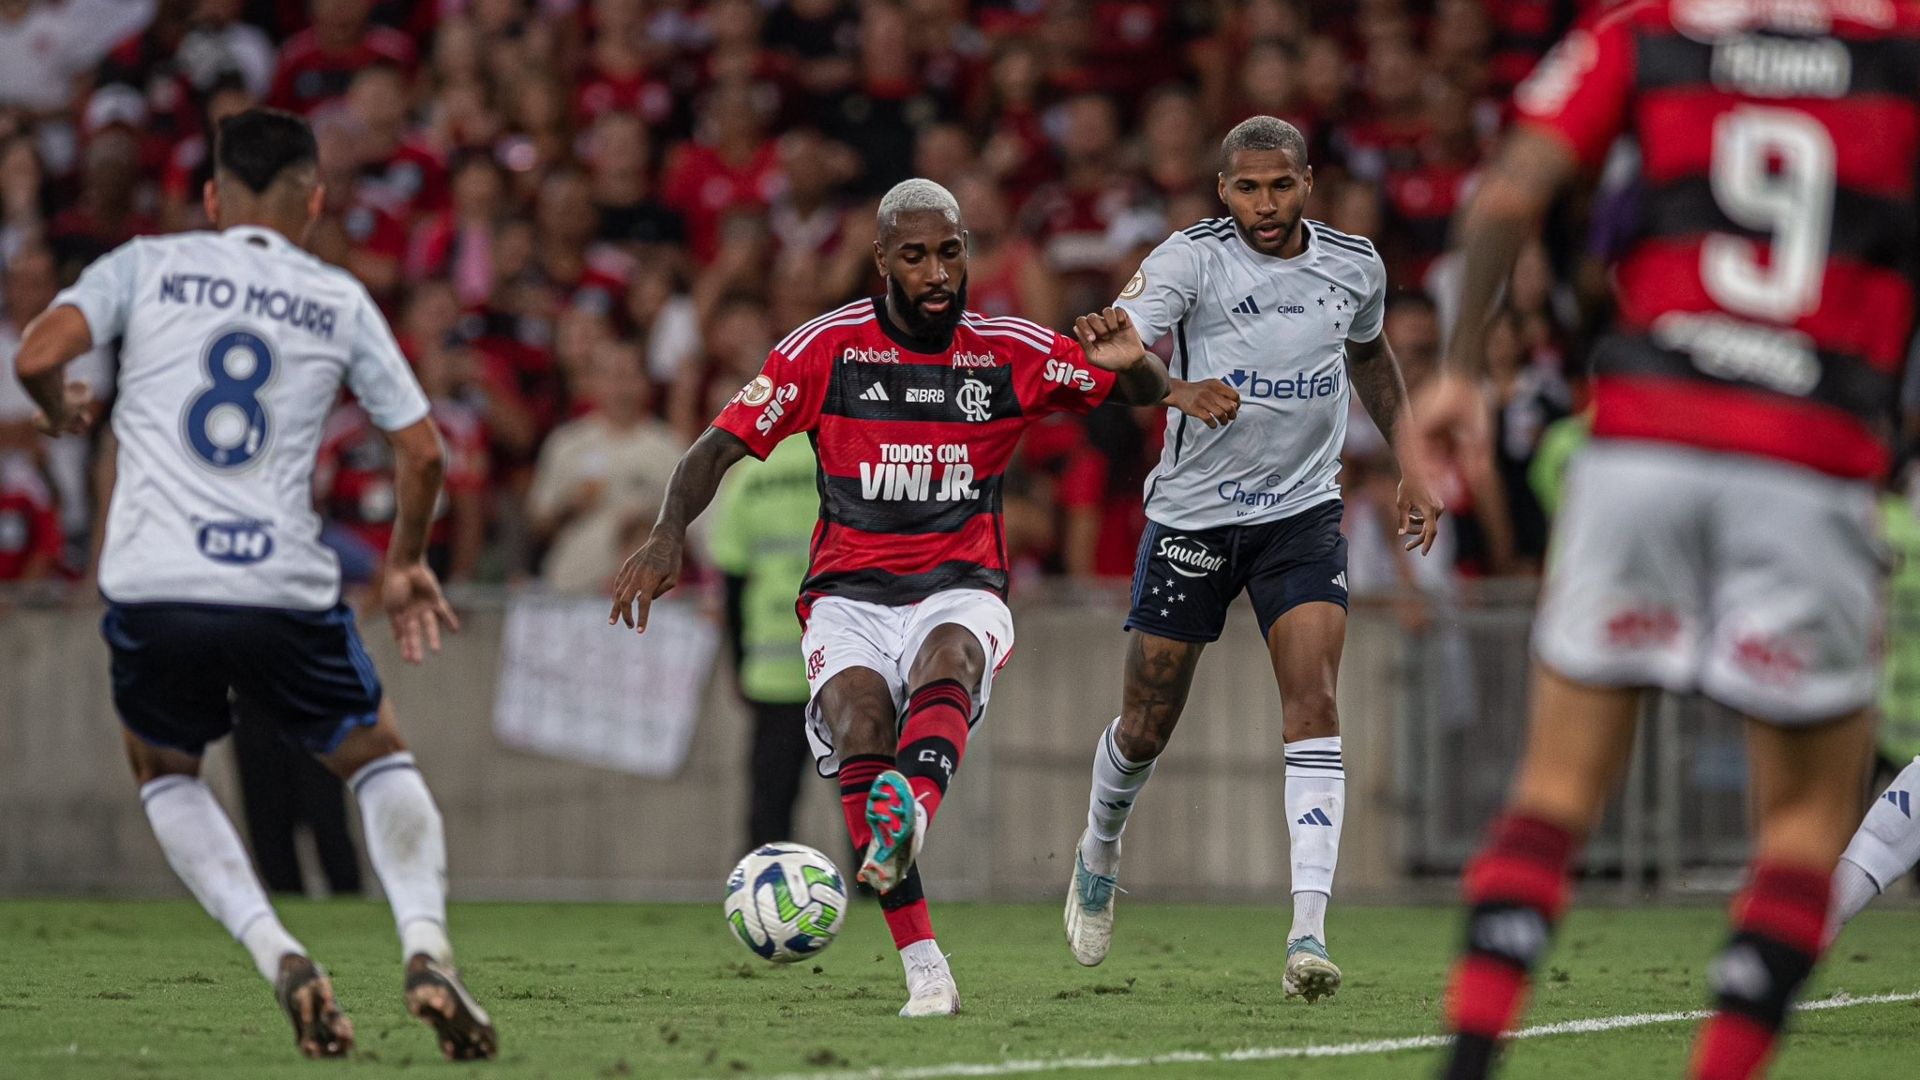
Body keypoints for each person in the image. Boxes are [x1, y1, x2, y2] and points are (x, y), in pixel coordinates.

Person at [1412, 4, 1916, 1077]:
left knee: (1552, 798)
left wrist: (1457, 369)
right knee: (1804, 822)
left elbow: (1506, 193)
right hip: (1812, 450)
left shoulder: (1647, 27)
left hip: (1642, 438)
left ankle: (1463, 1065)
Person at [609, 178, 1171, 1017]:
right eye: (916, 255)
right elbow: (714, 449)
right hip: (847, 596)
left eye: (950, 251)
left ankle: (908, 807)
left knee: (951, 656)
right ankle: (925, 969)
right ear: (882, 262)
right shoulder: (824, 350)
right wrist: (664, 533)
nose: (938, 271)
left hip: (960, 582)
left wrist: (1141, 364)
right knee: (860, 722)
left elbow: (1136, 386)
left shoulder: (1005, 349)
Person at [10, 109, 494, 1061]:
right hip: (280, 581)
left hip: (154, 581)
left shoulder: (143, 265)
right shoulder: (338, 297)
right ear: (313, 202)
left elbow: (36, 354)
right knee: (378, 755)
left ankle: (279, 950)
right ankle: (427, 949)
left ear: (209, 197)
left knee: (164, 768)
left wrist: (55, 406)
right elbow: (423, 451)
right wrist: (403, 563)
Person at [1062, 116, 1442, 1001]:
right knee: (1146, 724)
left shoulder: (1354, 264)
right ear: (1222, 190)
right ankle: (1099, 846)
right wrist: (1166, 384)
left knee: (1314, 701)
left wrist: (1412, 458)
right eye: (1247, 188)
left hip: (1302, 516)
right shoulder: (1188, 260)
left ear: (1308, 183)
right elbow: (1128, 352)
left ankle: (1307, 934)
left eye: (1281, 186)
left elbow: (1370, 355)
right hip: (1193, 521)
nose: (1265, 205)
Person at [708, 434, 820, 850]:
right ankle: (882, 903)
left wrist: (738, 666)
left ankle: (763, 900)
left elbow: (733, 583)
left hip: (773, 670)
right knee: (864, 803)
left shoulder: (748, 476)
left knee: (770, 810)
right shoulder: (845, 463)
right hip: (849, 664)